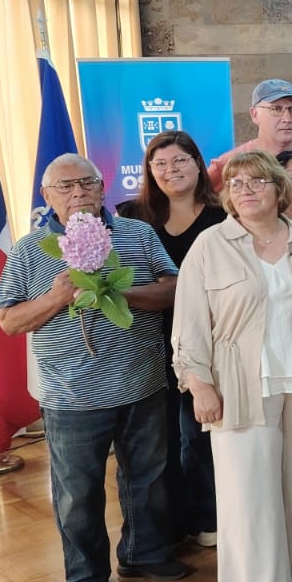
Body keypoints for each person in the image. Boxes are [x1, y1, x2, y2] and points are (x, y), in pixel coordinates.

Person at [0, 154, 188, 582]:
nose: (78, 192)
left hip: (142, 382)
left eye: (86, 183)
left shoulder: (137, 234)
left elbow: (174, 288)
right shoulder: (29, 250)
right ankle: (86, 575)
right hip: (71, 394)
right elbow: (9, 320)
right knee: (77, 492)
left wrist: (118, 293)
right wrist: (57, 296)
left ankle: (144, 554)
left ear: (103, 189)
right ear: (47, 196)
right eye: (65, 187)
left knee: (148, 478)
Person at [171, 151, 292, 582]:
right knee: (245, 494)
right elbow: (189, 325)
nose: (246, 190)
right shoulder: (209, 245)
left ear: (279, 189)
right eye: (236, 184)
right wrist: (199, 385)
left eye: (257, 181)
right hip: (238, 385)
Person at [118, 130, 227, 547]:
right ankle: (167, 526)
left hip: (206, 341)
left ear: (198, 163)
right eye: (160, 163)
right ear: (149, 170)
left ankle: (207, 516)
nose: (171, 170)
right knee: (155, 440)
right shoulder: (131, 217)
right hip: (145, 342)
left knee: (199, 434)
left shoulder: (223, 216)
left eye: (180, 160)